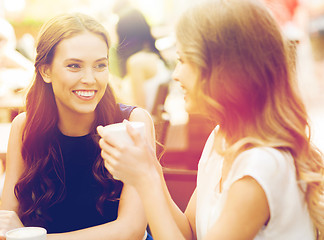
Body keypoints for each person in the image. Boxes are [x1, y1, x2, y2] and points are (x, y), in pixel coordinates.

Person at [97, 0, 324, 239]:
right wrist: (150, 165)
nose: (176, 75)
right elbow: (189, 231)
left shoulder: (261, 165)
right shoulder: (222, 137)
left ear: (223, 71)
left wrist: (145, 180)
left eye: (184, 61)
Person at [0, 12, 155, 240]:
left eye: (100, 65)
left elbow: (130, 230)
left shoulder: (133, 124)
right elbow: (6, 220)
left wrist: (30, 237)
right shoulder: (24, 127)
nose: (90, 79)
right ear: (45, 71)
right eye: (74, 66)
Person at [111, 2, 171, 114]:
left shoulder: (135, 62)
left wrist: (115, 91)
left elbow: (140, 108)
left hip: (140, 125)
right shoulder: (152, 56)